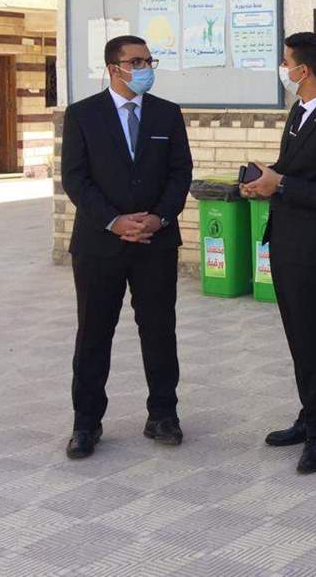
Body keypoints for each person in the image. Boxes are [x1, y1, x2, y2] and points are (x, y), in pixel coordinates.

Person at [60, 35, 193, 459]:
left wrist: (160, 217)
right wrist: (115, 221)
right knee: (93, 333)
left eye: (148, 60)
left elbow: (180, 173)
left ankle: (163, 415)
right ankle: (86, 423)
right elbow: (75, 178)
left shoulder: (167, 114)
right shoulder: (83, 115)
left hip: (155, 241)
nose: (144, 68)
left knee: (159, 330)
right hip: (100, 243)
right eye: (135, 62)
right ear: (113, 68)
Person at [240, 32, 316, 474]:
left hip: (314, 247)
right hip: (286, 239)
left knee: (312, 336)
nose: (283, 70)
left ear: (303, 71)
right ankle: (309, 415)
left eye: (285, 62)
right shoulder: (300, 110)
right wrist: (264, 180)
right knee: (298, 336)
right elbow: (292, 170)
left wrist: (283, 184)